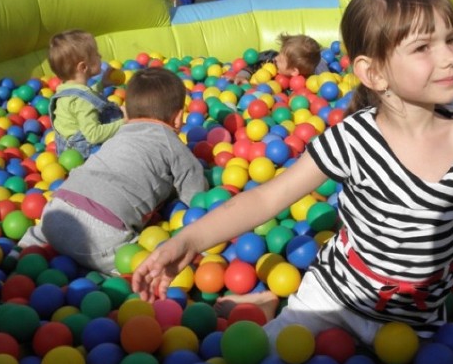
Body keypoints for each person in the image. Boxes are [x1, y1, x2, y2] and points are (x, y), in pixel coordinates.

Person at [133, 0, 453, 345]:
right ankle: (268, 303)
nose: (450, 59)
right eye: (423, 47)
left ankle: (264, 301)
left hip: (415, 323)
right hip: (332, 299)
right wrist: (187, 241)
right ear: (373, 73)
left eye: (452, 40)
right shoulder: (354, 138)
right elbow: (267, 199)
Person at [16, 67, 208, 275]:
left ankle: (19, 251)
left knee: (44, 236)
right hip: (104, 234)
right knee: (144, 265)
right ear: (179, 118)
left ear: (126, 110)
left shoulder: (117, 134)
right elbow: (195, 192)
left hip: (56, 212)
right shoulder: (171, 143)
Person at [47, 29, 125, 158]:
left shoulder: (65, 88)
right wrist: (125, 122)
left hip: (67, 152)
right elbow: (94, 135)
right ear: (83, 67)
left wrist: (102, 84)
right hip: (86, 154)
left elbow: (86, 97)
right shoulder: (82, 102)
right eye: (96, 54)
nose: (100, 56)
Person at [233, 33, 328, 86]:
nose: (276, 58)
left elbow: (325, 77)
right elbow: (257, 61)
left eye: (281, 60)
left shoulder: (314, 79)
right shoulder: (271, 60)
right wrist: (243, 76)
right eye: (280, 53)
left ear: (294, 71)